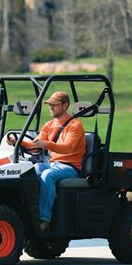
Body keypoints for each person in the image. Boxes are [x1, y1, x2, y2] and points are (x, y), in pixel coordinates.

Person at [8, 91, 86, 231]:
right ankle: (31, 212)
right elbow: (35, 145)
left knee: (47, 175)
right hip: (54, 164)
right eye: (49, 105)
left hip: (71, 167)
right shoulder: (49, 125)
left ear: (65, 105)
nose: (51, 108)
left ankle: (44, 220)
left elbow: (68, 148)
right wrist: (18, 143)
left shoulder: (75, 125)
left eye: (54, 105)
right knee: (34, 170)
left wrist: (47, 144)